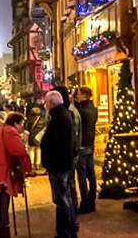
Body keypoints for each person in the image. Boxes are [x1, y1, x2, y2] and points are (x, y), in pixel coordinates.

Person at [40, 90, 76, 238]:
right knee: (63, 198)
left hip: (58, 164)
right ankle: (66, 229)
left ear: (52, 103)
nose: (45, 105)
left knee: (62, 200)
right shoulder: (62, 116)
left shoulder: (59, 118)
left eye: (47, 102)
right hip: (61, 163)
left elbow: (54, 142)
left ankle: (65, 232)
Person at [53, 85, 82, 233]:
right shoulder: (69, 112)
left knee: (68, 191)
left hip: (68, 157)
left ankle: (71, 223)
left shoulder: (69, 113)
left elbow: (72, 138)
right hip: (69, 156)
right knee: (68, 190)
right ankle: (70, 223)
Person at [75, 86, 98, 214]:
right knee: (91, 174)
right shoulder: (94, 109)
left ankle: (85, 203)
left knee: (82, 175)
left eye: (78, 94)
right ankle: (92, 201)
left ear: (84, 95)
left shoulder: (81, 110)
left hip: (82, 145)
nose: (76, 96)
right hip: (90, 144)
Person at [24, 98, 46, 175]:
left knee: (32, 150)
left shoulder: (29, 119)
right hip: (40, 137)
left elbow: (26, 129)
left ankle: (32, 163)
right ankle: (38, 164)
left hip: (32, 137)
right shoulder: (43, 119)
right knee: (39, 150)